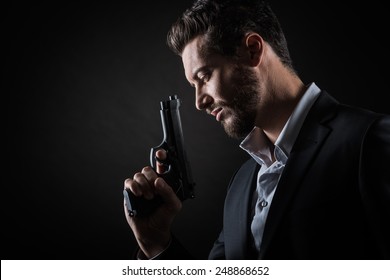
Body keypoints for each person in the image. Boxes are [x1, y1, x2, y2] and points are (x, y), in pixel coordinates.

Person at [123, 0, 390, 260]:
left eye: (204, 77)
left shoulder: (369, 142)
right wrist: (156, 242)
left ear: (252, 50)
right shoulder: (241, 184)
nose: (198, 101)